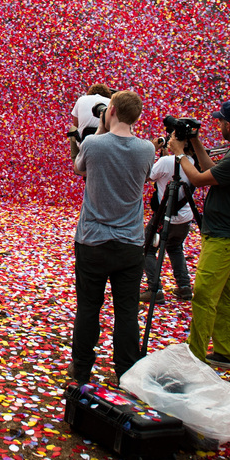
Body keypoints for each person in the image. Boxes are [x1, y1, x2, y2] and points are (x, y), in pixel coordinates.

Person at [69, 90, 155, 383]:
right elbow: (144, 177)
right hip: (130, 243)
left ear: (112, 109)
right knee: (127, 312)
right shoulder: (147, 149)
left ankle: (81, 368)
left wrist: (102, 129)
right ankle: (125, 371)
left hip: (93, 240)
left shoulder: (93, 144)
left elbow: (79, 167)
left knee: (89, 308)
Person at [168, 100, 230, 371]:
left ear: (228, 125)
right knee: (225, 296)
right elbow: (209, 171)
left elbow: (197, 179)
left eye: (220, 122)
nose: (218, 126)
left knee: (204, 294)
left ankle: (195, 356)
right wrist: (195, 144)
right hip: (224, 233)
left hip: (223, 236)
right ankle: (228, 352)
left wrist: (180, 154)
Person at [140, 137, 196, 303]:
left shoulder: (165, 161)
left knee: (147, 248)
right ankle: (184, 286)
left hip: (165, 217)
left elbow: (145, 176)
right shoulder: (192, 161)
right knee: (175, 247)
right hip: (185, 218)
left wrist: (153, 152)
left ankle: (154, 288)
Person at [68, 84, 114, 160]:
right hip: (105, 146)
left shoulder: (81, 99)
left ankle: (76, 160)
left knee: (73, 129)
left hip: (83, 143)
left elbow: (75, 124)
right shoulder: (111, 102)